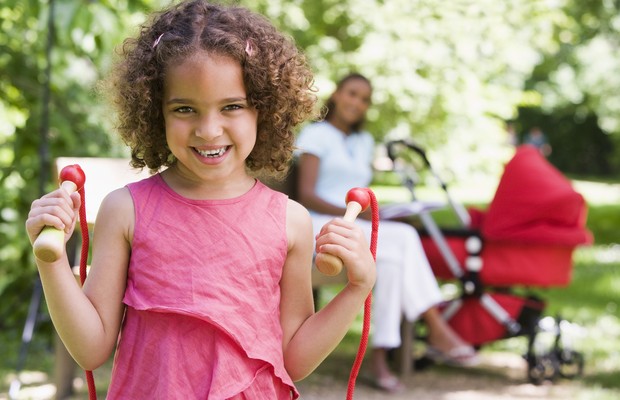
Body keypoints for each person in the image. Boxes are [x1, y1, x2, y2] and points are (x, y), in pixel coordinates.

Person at [25, 2, 376, 398]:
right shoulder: (126, 210)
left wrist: (356, 290)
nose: (209, 130)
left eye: (232, 106)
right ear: (155, 112)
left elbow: (293, 360)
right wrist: (48, 261)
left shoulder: (289, 220)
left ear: (265, 109)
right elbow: (91, 349)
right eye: (185, 109)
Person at [296, 73, 479, 394]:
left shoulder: (364, 142)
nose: (357, 103)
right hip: (321, 226)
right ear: (337, 94)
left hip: (358, 225)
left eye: (364, 99)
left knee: (392, 262)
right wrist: (350, 213)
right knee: (404, 238)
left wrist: (375, 213)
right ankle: (436, 327)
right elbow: (307, 193)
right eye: (352, 94)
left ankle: (379, 358)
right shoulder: (316, 134)